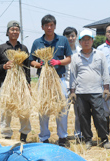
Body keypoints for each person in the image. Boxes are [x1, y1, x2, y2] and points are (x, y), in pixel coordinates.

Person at [29, 14, 72, 147]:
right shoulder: (37, 42)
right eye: (46, 25)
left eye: (51, 25)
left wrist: (58, 62)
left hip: (60, 79)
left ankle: (62, 137)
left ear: (54, 26)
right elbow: (31, 61)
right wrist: (40, 65)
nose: (49, 27)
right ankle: (44, 137)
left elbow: (69, 58)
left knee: (62, 108)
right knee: (44, 108)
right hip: (44, 81)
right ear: (42, 27)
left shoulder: (63, 40)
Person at [70, 29, 110, 150]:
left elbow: (105, 72)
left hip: (97, 91)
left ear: (92, 41)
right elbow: (73, 75)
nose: (86, 42)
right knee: (83, 117)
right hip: (81, 92)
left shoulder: (100, 55)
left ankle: (104, 139)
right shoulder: (75, 57)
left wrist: (106, 88)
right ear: (80, 42)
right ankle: (88, 140)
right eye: (84, 40)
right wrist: (72, 92)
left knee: (100, 117)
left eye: (88, 39)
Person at [0, 20, 31, 142]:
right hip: (6, 83)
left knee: (24, 109)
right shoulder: (1, 48)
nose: (15, 32)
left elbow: (27, 67)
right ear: (7, 32)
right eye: (12, 30)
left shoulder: (23, 48)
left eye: (17, 30)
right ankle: (6, 135)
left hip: (21, 84)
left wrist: (28, 84)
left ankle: (24, 135)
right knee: (6, 109)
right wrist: (4, 66)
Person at [63, 27, 83, 141]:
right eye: (68, 36)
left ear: (76, 37)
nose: (70, 38)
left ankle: (78, 134)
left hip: (79, 84)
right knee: (63, 111)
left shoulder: (81, 51)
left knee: (79, 111)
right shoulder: (61, 51)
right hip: (65, 83)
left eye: (72, 36)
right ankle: (63, 135)